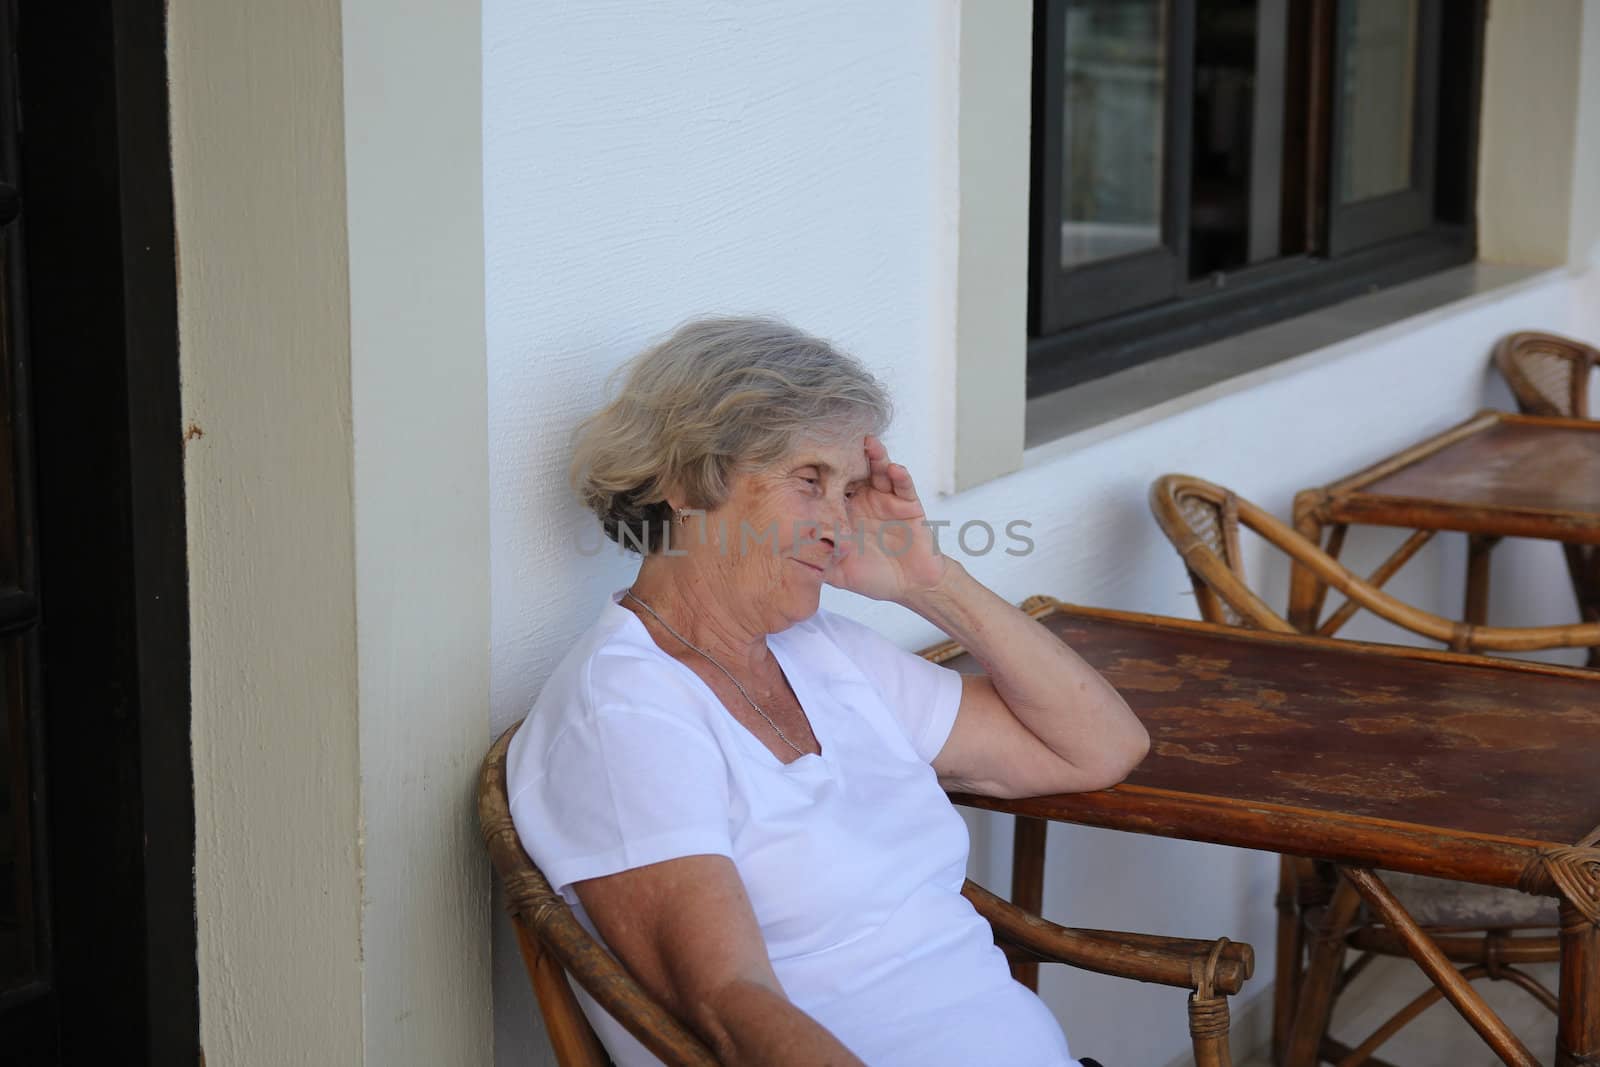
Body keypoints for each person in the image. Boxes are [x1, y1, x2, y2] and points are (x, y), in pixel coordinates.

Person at [506, 316, 1147, 1066]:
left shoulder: (820, 653)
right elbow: (731, 1006)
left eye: (848, 490)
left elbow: (1101, 748)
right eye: (810, 481)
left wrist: (933, 583)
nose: (840, 525)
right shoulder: (623, 715)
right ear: (685, 482)